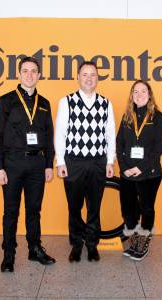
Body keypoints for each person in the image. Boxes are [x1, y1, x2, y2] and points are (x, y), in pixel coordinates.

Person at [0, 56, 56, 272]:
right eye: (25, 71)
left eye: (33, 71)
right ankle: (8, 254)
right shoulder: (5, 101)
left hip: (37, 165)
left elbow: (49, 137)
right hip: (12, 163)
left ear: (39, 75)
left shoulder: (45, 104)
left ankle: (34, 249)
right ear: (19, 74)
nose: (29, 75)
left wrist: (49, 165)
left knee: (34, 210)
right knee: (11, 211)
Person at [54, 61, 116, 262]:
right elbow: (60, 134)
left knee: (94, 207)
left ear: (97, 78)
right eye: (85, 74)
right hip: (74, 162)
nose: (89, 78)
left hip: (98, 162)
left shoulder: (106, 103)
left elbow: (110, 135)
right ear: (78, 77)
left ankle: (92, 245)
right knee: (74, 207)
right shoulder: (67, 101)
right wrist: (61, 162)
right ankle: (76, 245)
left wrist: (110, 161)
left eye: (93, 75)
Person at [116, 79, 162, 261]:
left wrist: (140, 168)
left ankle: (143, 241)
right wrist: (125, 168)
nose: (139, 95)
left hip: (150, 174)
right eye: (135, 92)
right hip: (128, 174)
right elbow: (119, 144)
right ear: (131, 96)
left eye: (143, 91)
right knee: (128, 210)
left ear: (149, 94)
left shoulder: (158, 117)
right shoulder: (127, 117)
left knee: (146, 208)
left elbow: (159, 148)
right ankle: (134, 239)